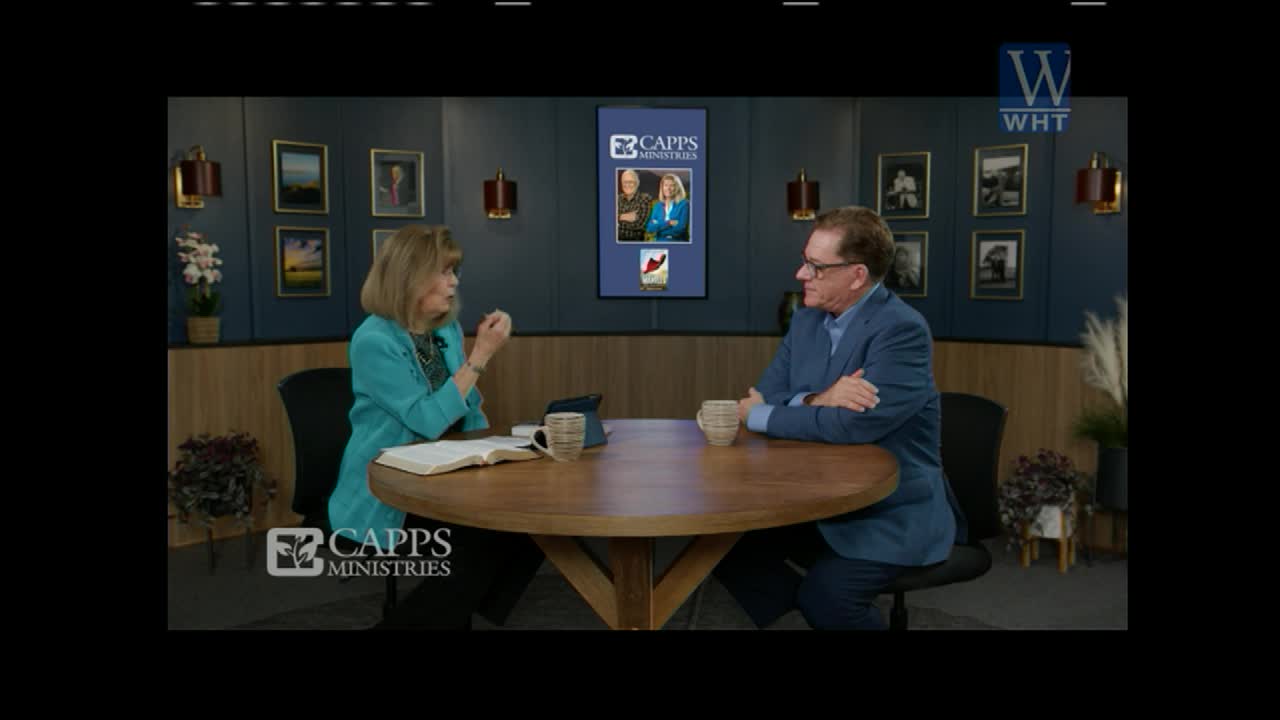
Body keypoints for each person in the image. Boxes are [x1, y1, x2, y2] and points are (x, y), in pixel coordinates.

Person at [717, 205, 965, 630]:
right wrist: (820, 398)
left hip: (889, 513)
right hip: (816, 501)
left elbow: (851, 426)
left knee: (827, 597)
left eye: (815, 267)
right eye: (804, 261)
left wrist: (766, 413)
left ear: (857, 276)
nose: (800, 275)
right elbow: (770, 393)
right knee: (725, 552)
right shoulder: (807, 320)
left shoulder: (901, 330)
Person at [328, 224, 544, 630]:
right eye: (445, 272)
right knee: (478, 545)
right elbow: (427, 421)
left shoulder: (442, 329)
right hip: (390, 487)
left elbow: (469, 410)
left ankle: (451, 611)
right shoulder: (373, 340)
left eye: (454, 271)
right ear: (410, 277)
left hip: (449, 470)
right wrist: (480, 354)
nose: (454, 282)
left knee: (530, 521)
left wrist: (491, 455)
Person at [644, 173, 690, 242]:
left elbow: (680, 229)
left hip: (678, 242)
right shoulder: (657, 206)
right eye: (666, 185)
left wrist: (658, 225)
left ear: (677, 188)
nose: (668, 188)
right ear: (662, 188)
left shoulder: (684, 204)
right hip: (659, 242)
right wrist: (669, 223)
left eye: (672, 185)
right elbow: (649, 228)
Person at [616, 169, 652, 243]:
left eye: (631, 182)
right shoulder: (617, 198)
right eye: (625, 182)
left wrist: (617, 219)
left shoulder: (645, 198)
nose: (627, 185)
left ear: (637, 183)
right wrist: (621, 217)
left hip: (634, 243)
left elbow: (639, 225)